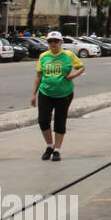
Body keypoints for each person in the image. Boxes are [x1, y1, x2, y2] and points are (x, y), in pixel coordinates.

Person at [31, 31, 84, 162]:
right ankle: (49, 145)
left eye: (56, 41)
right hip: (45, 92)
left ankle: (57, 150)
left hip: (64, 94)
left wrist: (73, 76)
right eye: (50, 41)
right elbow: (38, 75)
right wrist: (33, 94)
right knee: (43, 120)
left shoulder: (68, 55)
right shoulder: (43, 56)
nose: (53, 44)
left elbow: (81, 67)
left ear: (61, 42)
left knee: (60, 121)